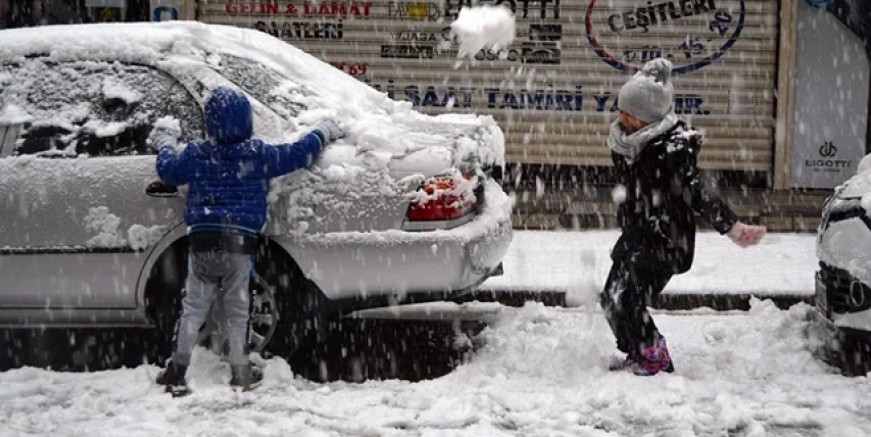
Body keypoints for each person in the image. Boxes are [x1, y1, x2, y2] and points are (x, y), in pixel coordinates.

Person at [148, 86, 344, 396]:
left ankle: (177, 368)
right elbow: (299, 154)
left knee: (193, 308)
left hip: (202, 240)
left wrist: (166, 143)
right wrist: (323, 131)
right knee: (238, 309)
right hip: (238, 244)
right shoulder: (257, 154)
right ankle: (240, 371)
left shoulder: (197, 154)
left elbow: (169, 171)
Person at [601, 58, 765, 376]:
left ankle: (655, 356)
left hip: (665, 241)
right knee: (611, 297)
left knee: (628, 298)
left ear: (650, 117)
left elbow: (699, 193)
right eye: (621, 111)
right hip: (637, 236)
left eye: (629, 114)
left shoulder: (672, 153)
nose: (622, 119)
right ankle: (637, 351)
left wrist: (732, 226)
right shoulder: (629, 143)